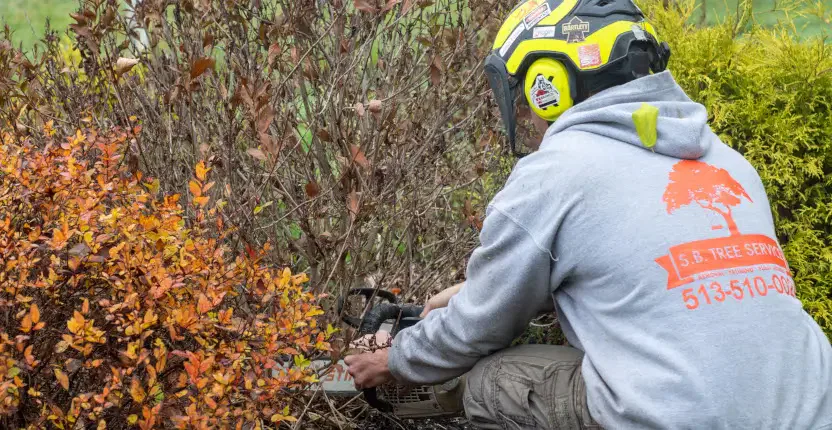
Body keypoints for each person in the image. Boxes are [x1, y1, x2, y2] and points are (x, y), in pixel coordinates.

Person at [345, 0, 832, 428]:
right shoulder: (729, 162)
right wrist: (472, 291)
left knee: (496, 382)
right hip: (812, 408)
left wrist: (396, 360)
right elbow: (646, 275)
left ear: (548, 82)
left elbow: (479, 327)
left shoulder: (556, 171)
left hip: (685, 418)